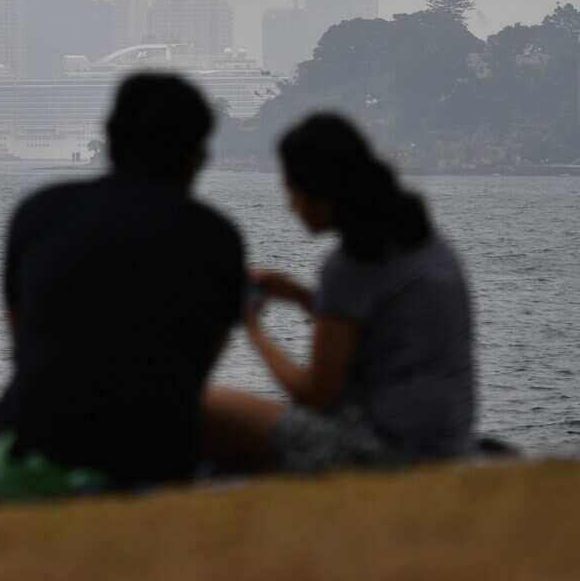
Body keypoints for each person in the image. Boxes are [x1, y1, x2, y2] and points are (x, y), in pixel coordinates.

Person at [0, 74, 246, 500]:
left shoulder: (41, 210)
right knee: (233, 413)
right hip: (157, 460)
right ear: (196, 155)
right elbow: (200, 368)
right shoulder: (217, 235)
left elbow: (22, 342)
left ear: (109, 139)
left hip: (24, 452)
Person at [204, 113, 477, 475]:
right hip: (448, 443)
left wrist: (252, 325)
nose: (291, 206)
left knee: (201, 407)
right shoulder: (427, 242)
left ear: (319, 190)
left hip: (382, 454)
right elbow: (377, 329)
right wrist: (302, 297)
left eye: (293, 191)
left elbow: (314, 395)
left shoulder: (348, 265)